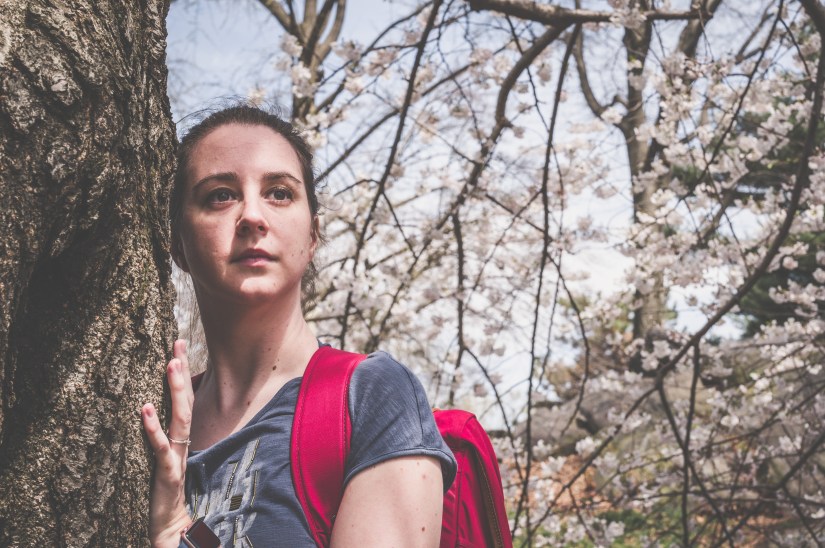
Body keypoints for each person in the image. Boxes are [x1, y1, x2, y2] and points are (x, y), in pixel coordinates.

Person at [140, 105, 456, 547]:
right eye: (220, 195)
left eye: (279, 193)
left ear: (312, 235)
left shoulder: (371, 396)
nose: (252, 216)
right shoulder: (152, 415)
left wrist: (175, 532)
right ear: (177, 242)